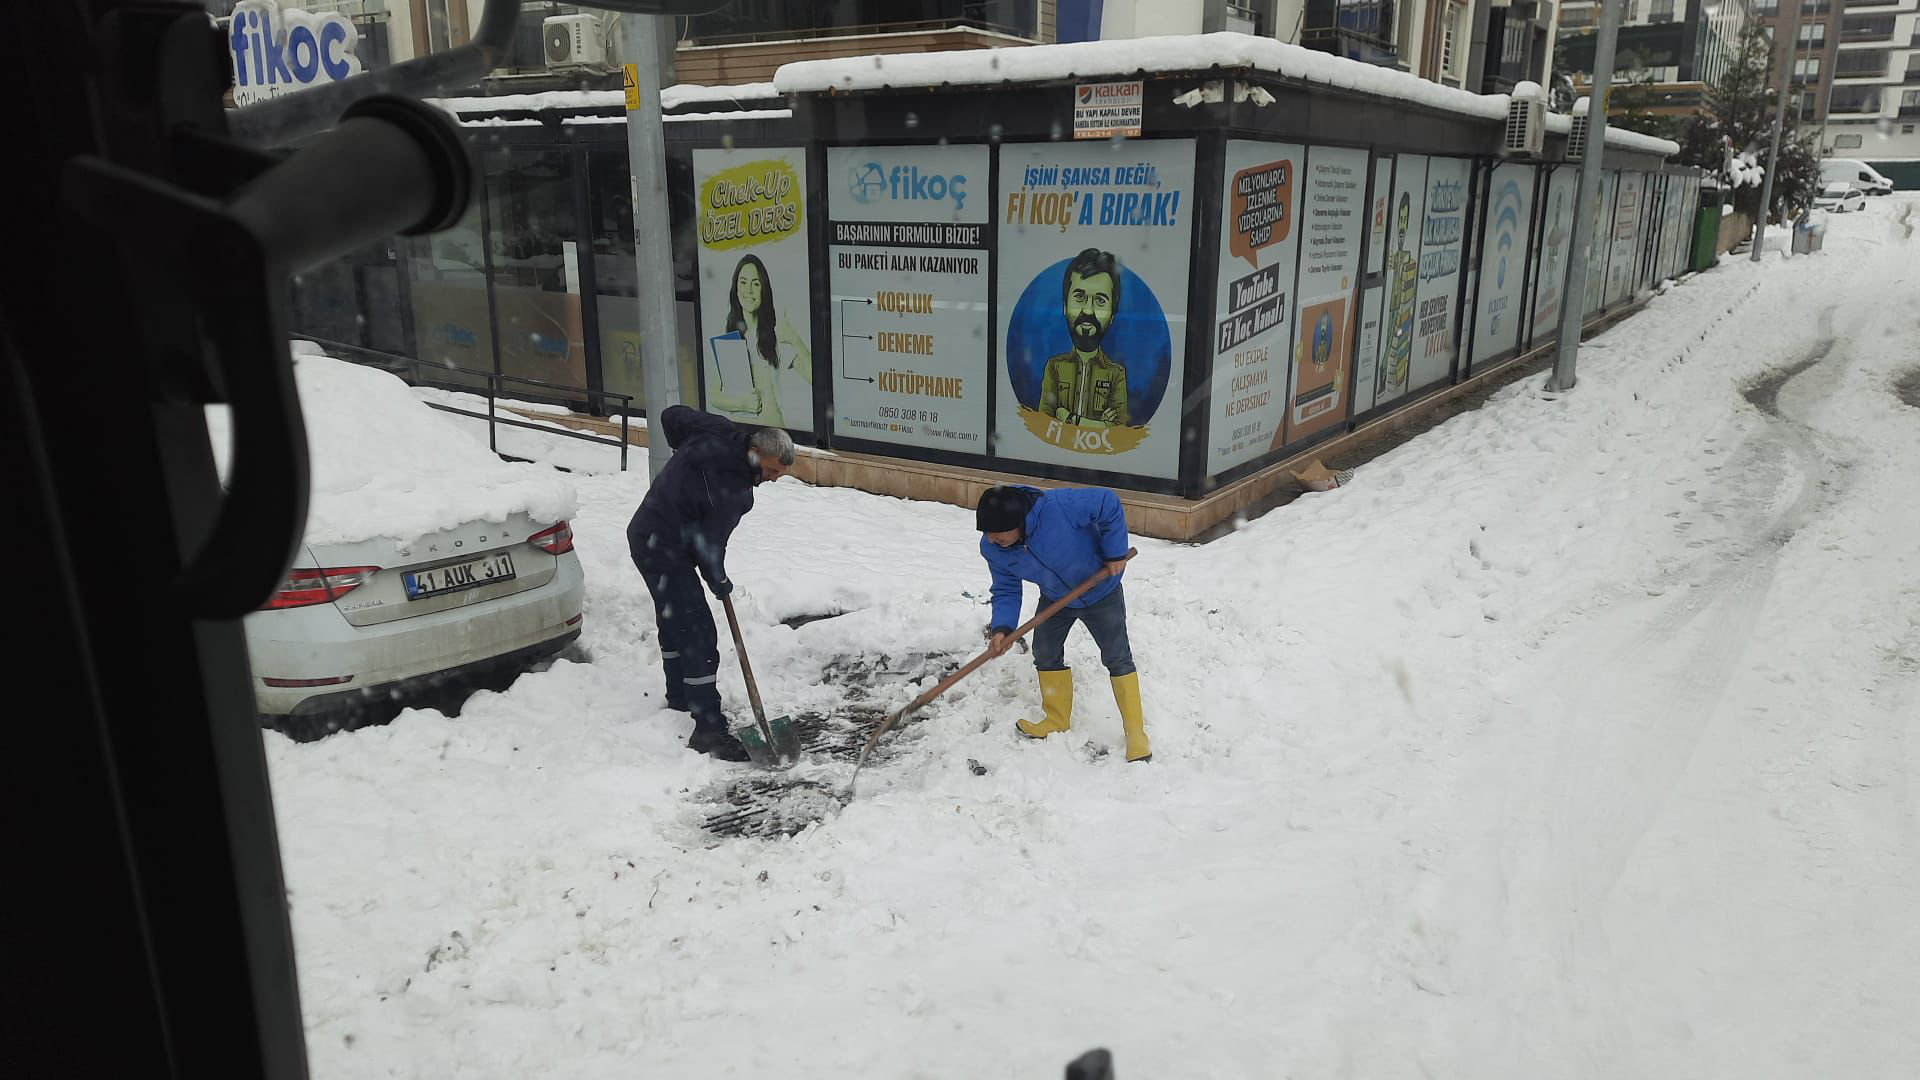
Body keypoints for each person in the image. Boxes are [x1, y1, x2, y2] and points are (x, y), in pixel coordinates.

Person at [627, 405, 794, 760]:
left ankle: (680, 696)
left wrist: (685, 460)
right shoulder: (733, 491)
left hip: (645, 533)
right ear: (757, 452)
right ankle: (708, 729)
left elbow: (671, 416)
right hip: (665, 547)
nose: (774, 478)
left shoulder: (715, 429)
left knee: (673, 617)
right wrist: (718, 581)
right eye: (773, 470)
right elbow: (709, 547)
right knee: (698, 632)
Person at [976, 484, 1150, 763]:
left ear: (1018, 523)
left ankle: (1136, 733)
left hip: (1101, 589)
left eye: (999, 535)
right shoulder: (994, 549)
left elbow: (1109, 503)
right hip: (1057, 598)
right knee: (1044, 652)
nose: (992, 540)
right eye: (987, 535)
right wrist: (1002, 628)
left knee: (1117, 657)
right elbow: (1006, 589)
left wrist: (1114, 552)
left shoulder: (1058, 507)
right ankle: (1056, 718)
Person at [710, 254, 812, 428]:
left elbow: (813, 377)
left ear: (763, 290)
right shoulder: (728, 337)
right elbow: (714, 396)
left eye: (755, 284)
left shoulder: (775, 334)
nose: (748, 291)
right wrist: (742, 403)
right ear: (735, 288)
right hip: (740, 435)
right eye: (743, 282)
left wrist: (794, 339)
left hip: (773, 437)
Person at [1037, 248, 1130, 429]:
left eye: (1100, 300)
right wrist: (1102, 425)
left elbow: (1119, 431)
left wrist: (1069, 418)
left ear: (1112, 314)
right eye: (1079, 297)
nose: (1088, 310)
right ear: (1065, 306)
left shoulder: (1116, 374)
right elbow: (1042, 424)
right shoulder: (1054, 367)